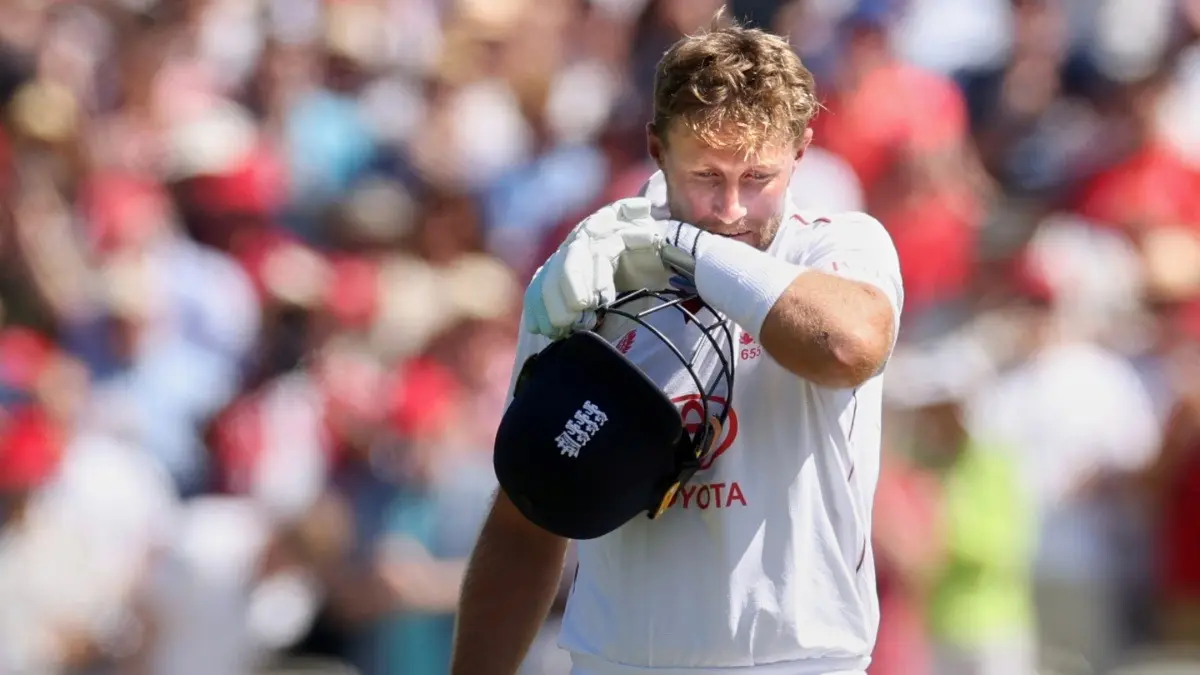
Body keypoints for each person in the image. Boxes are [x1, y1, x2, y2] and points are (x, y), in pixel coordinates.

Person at [451, 14, 904, 675]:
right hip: (618, 660)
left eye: (757, 177)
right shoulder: (593, 269)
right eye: (706, 175)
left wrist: (688, 248)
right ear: (657, 148)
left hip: (800, 661)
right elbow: (530, 512)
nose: (730, 209)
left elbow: (846, 346)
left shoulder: (838, 245)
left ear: (800, 152)